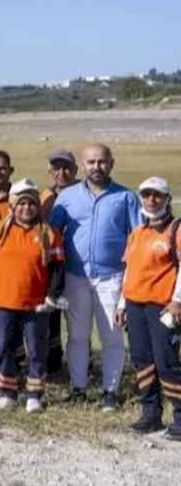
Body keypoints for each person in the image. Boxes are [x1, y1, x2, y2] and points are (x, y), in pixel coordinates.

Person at [49, 144, 141, 410]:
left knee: (112, 337)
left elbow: (137, 240)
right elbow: (52, 235)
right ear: (83, 165)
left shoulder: (126, 197)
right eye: (91, 162)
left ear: (111, 163)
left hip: (111, 278)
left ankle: (109, 391)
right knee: (77, 336)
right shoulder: (67, 197)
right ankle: (78, 388)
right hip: (76, 277)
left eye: (102, 162)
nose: (96, 167)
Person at [0, 179, 66, 413]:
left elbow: (57, 268)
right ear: (13, 206)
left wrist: (52, 296)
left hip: (37, 304)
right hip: (5, 300)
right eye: (21, 203)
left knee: (36, 348)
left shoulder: (49, 232)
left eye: (31, 203)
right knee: (3, 344)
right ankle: (7, 392)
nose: (27, 208)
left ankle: (34, 394)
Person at [115, 177, 181, 440]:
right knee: (142, 360)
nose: (151, 200)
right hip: (135, 305)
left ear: (167, 199)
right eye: (146, 195)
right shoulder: (137, 233)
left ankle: (179, 417)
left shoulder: (176, 229)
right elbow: (129, 269)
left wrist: (178, 301)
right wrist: (121, 304)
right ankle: (150, 413)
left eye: (157, 195)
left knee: (167, 361)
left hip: (163, 307)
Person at [40, 148, 80, 374]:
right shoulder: (44, 196)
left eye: (66, 168)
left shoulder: (85, 192)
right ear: (50, 171)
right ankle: (53, 363)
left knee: (78, 320)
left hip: (78, 266)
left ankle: (81, 364)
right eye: (56, 168)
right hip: (53, 267)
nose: (62, 173)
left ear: (75, 170)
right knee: (51, 316)